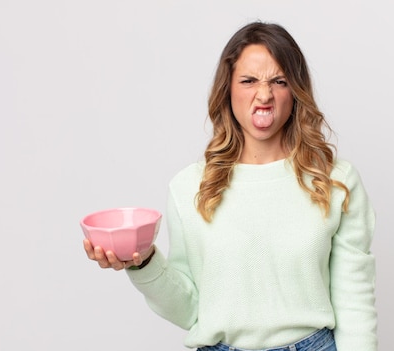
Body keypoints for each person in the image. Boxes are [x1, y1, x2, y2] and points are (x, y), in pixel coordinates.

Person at [83, 21, 377, 351]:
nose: (264, 95)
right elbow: (191, 310)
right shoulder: (190, 187)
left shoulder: (335, 182)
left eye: (278, 81)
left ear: (295, 92)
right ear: (228, 90)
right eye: (249, 81)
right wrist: (142, 261)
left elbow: (355, 304)